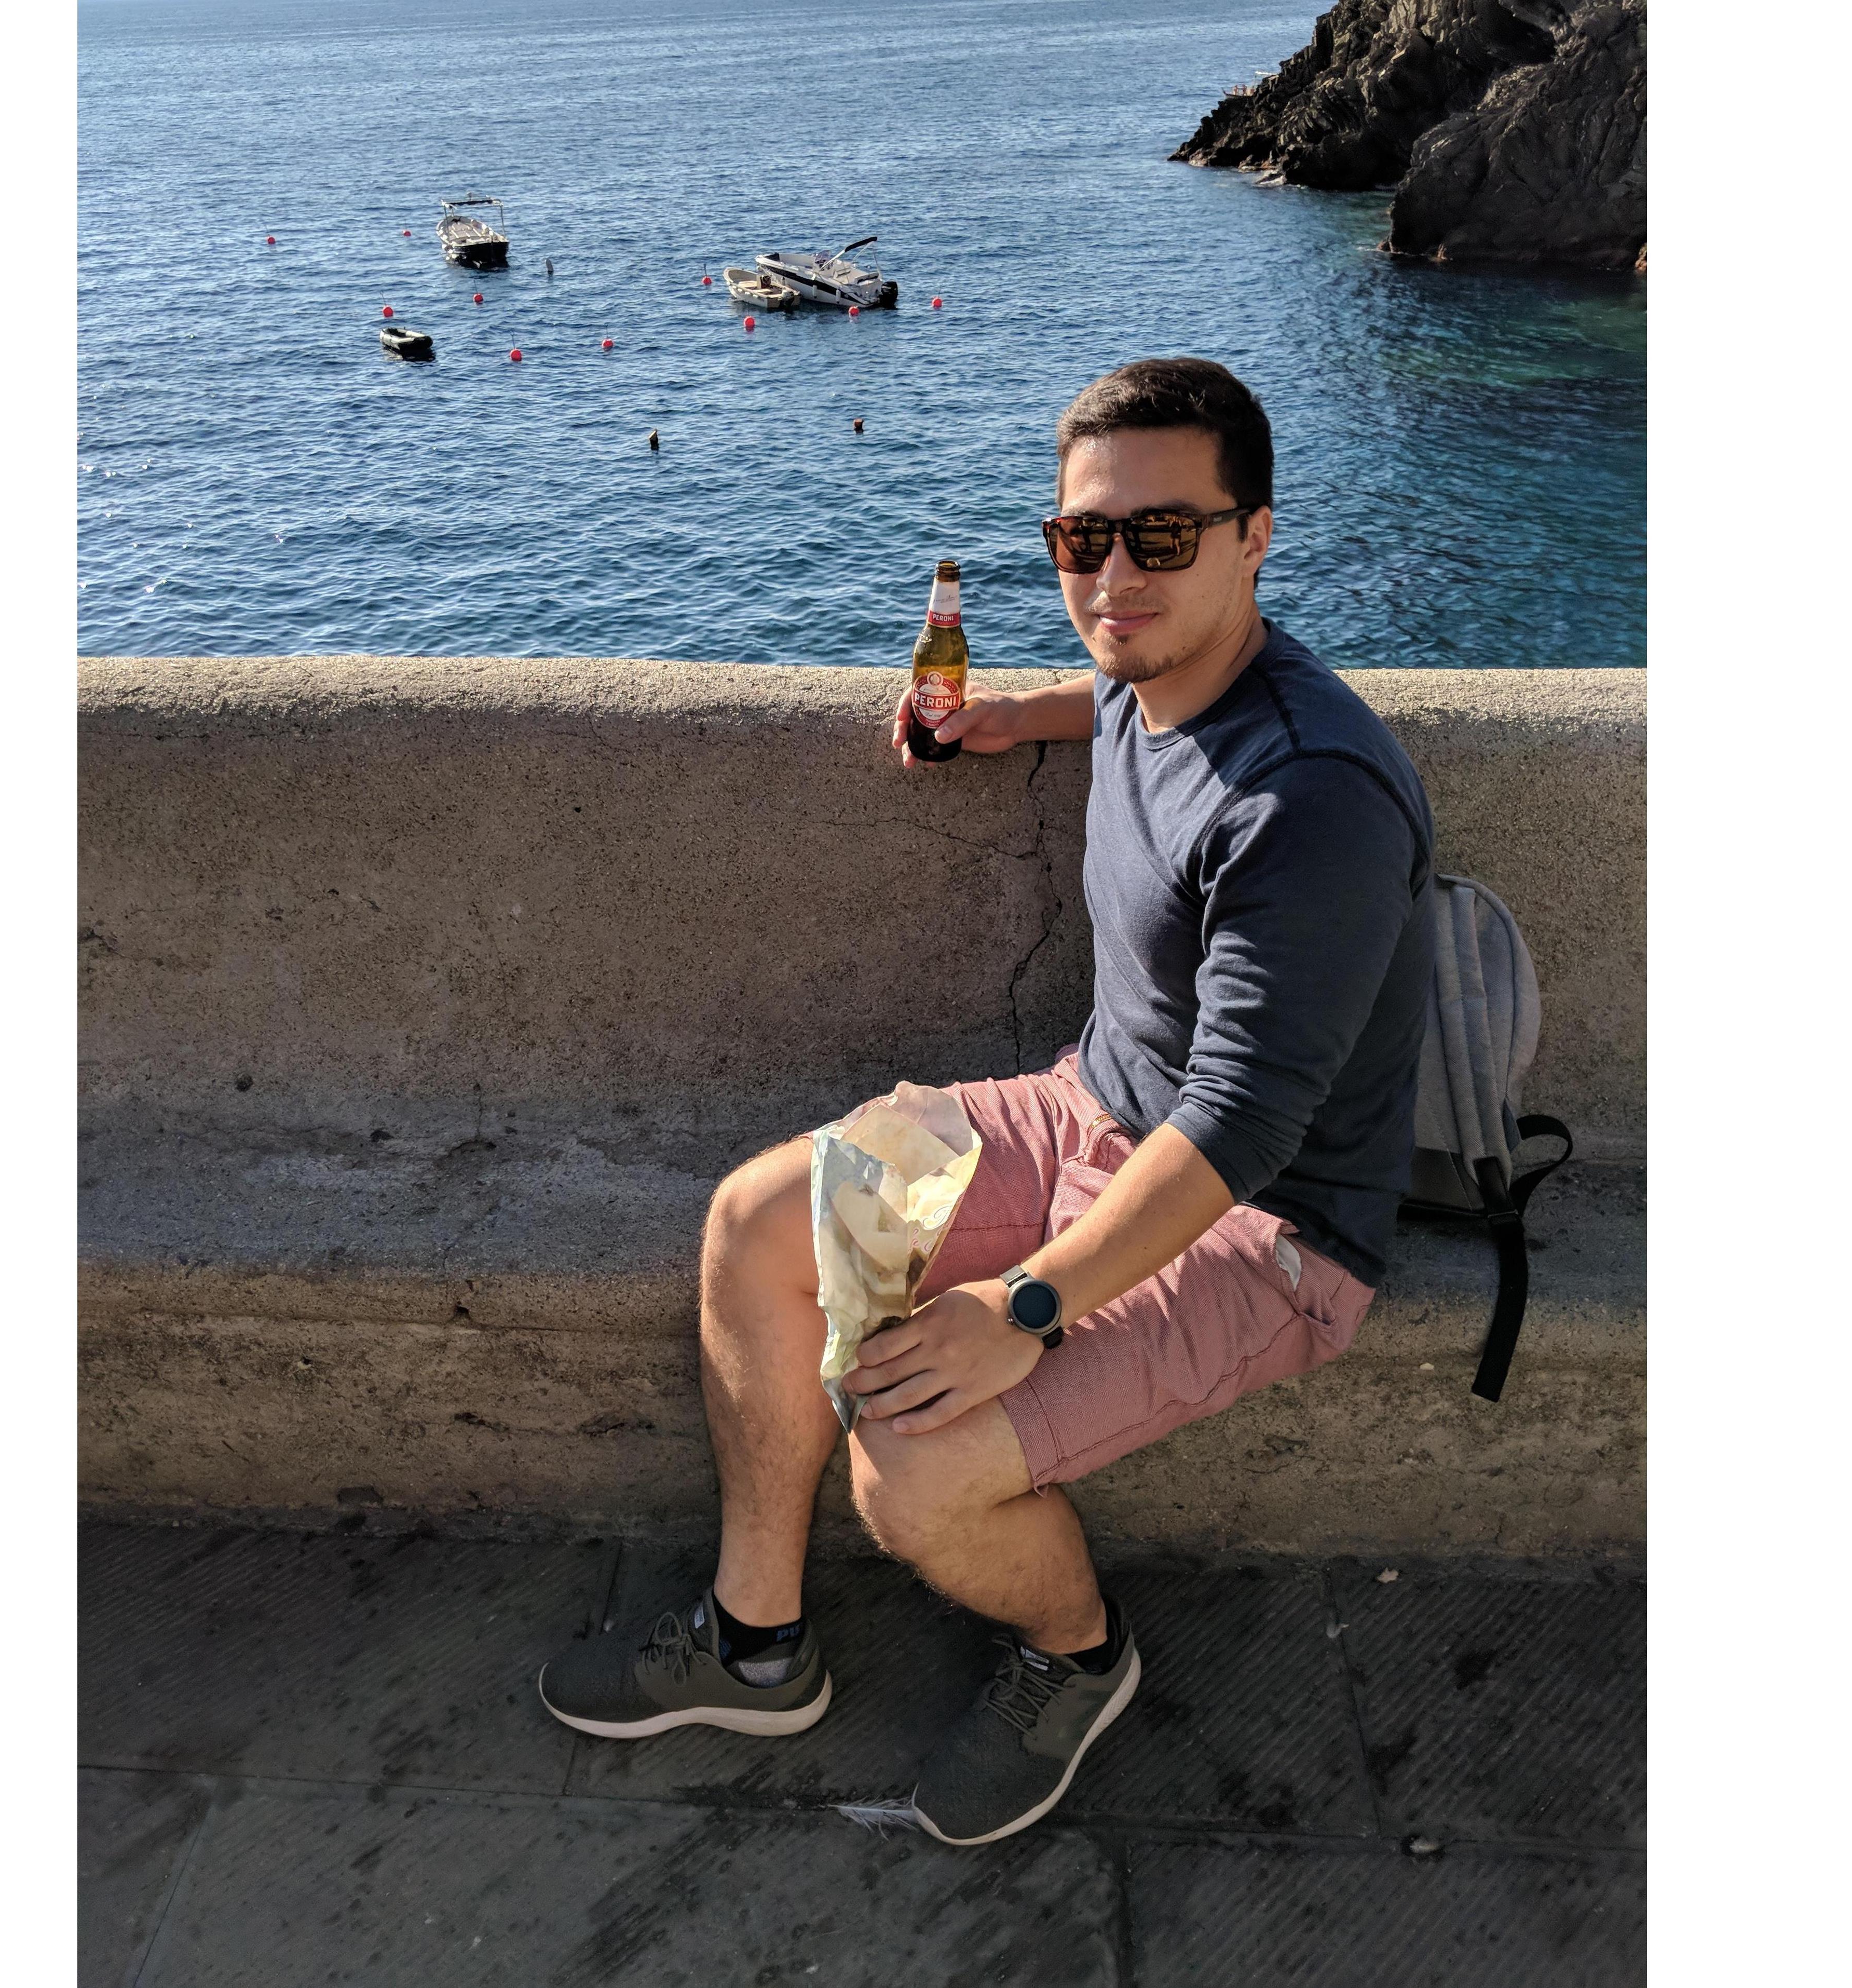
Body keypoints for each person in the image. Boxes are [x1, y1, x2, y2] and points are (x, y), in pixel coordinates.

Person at [538, 357, 1435, 1847]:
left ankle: (1080, 1654)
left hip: (1261, 1226)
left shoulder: (1314, 800)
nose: (1115, 578)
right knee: (757, 1219)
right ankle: (757, 1645)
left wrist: (1019, 1308)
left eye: (1164, 537)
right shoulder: (1153, 675)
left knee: (918, 1469)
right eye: (1084, 541)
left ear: (1256, 536)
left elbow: (1242, 1128)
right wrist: (1016, 718)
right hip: (1087, 1108)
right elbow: (1125, 693)